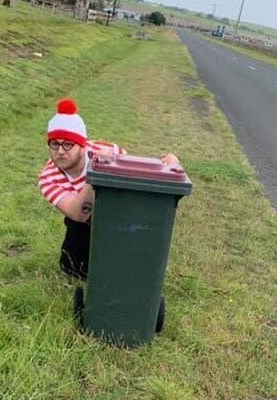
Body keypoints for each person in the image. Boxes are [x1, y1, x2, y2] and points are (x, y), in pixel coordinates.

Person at [38, 98, 178, 280]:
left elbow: (138, 176)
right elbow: (78, 214)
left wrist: (167, 165)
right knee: (73, 269)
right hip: (83, 222)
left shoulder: (108, 150)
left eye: (68, 144)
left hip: (119, 213)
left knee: (123, 268)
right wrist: (96, 173)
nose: (61, 151)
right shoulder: (48, 177)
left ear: (82, 145)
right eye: (54, 144)